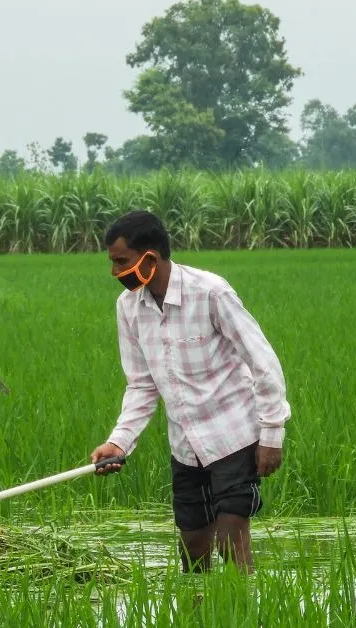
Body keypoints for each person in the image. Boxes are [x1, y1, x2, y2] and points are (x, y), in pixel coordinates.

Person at [89, 209, 291, 574]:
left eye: (121, 262)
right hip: (185, 446)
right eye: (113, 263)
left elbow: (262, 360)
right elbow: (142, 385)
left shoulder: (210, 292)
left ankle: (246, 603)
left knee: (231, 539)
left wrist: (272, 434)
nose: (115, 272)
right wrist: (119, 443)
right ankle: (200, 604)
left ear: (150, 258)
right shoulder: (128, 308)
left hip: (233, 436)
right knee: (194, 552)